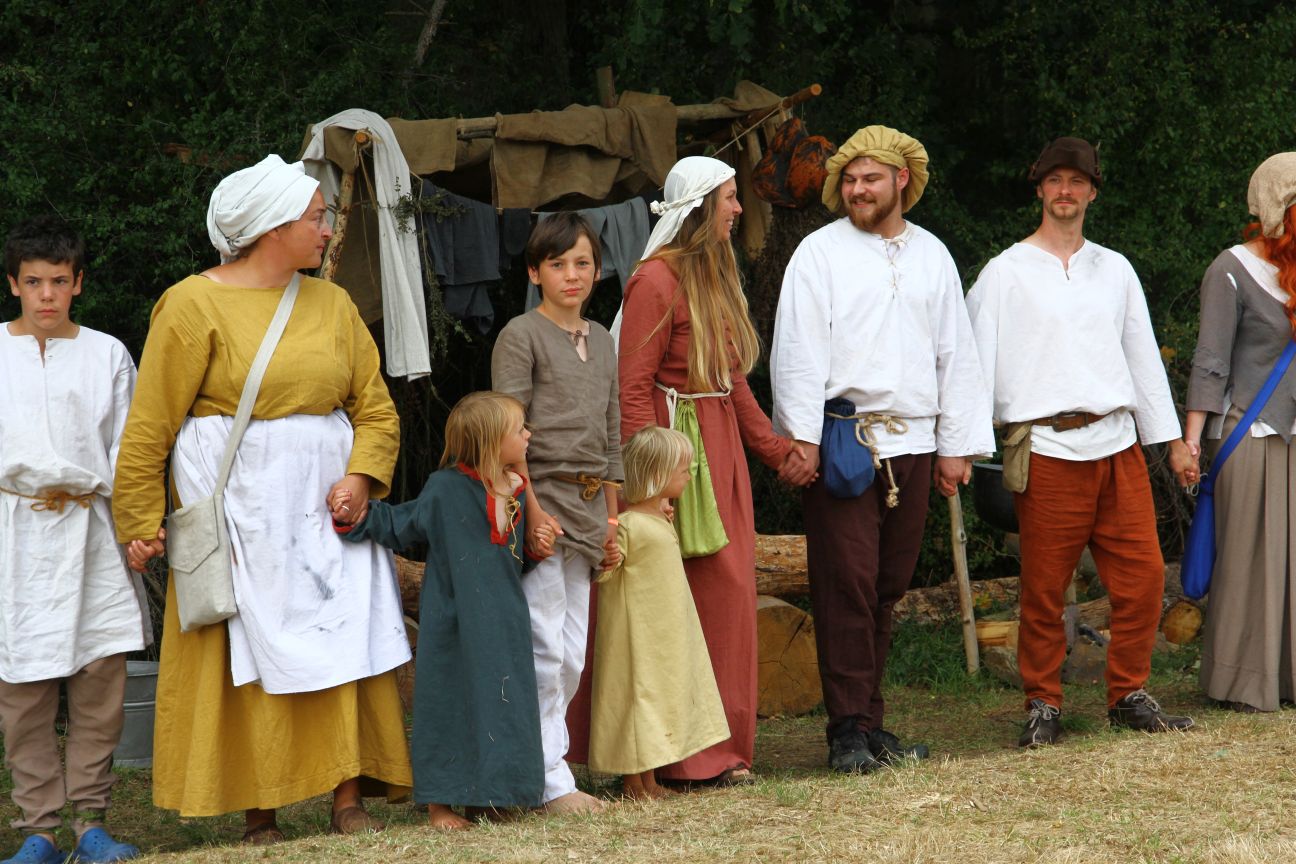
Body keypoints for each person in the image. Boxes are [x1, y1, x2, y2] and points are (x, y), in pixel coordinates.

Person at [112, 155, 412, 844]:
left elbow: (376, 409)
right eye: (316, 218)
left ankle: (346, 799)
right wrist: (139, 520)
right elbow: (150, 425)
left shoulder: (333, 304)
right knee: (246, 649)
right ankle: (260, 813)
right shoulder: (191, 305)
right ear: (273, 228)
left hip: (324, 512)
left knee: (338, 639)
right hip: (240, 513)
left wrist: (361, 477)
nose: (327, 230)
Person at [771, 125, 994, 774]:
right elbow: (797, 350)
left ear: (902, 180)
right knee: (846, 584)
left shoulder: (932, 255)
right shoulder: (819, 253)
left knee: (888, 586)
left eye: (870, 178)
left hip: (916, 441)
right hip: (844, 439)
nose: (857, 189)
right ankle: (846, 732)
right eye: (849, 179)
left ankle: (869, 724)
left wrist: (957, 446)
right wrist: (801, 439)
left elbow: (957, 354)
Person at [965, 137, 1195, 747]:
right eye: (1054, 180)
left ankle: (1128, 694)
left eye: (1076, 181)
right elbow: (973, 363)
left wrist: (1172, 442)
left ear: (1092, 192)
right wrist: (962, 445)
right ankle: (1043, 701)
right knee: (1044, 589)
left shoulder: (1114, 269)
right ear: (1040, 189)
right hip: (1047, 447)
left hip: (1117, 444)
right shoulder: (1005, 272)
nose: (1064, 190)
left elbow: (1143, 360)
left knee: (1144, 578)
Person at [611, 155, 815, 786]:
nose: (738, 208)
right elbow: (633, 389)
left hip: (718, 454)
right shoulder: (654, 281)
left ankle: (722, 751)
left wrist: (776, 450)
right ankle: (682, 758)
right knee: (686, 602)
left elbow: (732, 384)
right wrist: (648, 488)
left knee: (728, 600)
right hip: (677, 456)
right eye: (729, 197)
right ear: (700, 207)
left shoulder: (713, 273)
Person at [0, 218, 148, 864]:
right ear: (14, 283)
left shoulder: (108, 354)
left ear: (78, 283)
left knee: (98, 681)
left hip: (91, 531)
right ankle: (38, 830)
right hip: (14, 534)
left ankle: (91, 824)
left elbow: (128, 450)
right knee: (22, 689)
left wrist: (138, 525)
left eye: (59, 281)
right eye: (33, 282)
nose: (46, 295)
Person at [332, 391, 545, 829]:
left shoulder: (516, 490)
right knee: (448, 704)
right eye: (519, 429)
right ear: (491, 441)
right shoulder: (445, 488)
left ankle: (493, 797)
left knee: (502, 704)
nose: (528, 434)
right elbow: (402, 524)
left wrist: (536, 551)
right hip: (453, 622)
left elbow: (511, 558)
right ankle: (440, 807)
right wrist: (356, 516)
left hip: (504, 622)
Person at [490, 213, 620, 815]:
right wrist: (533, 511)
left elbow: (611, 434)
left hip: (589, 510)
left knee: (572, 651)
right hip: (538, 499)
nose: (572, 274)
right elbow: (507, 433)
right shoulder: (521, 334)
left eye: (583, 262)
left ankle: (546, 769)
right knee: (544, 647)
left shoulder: (604, 338)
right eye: (558, 263)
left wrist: (612, 520)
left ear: (597, 269)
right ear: (534, 272)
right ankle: (550, 783)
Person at [1182, 152, 1296, 714]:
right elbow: (1211, 361)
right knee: (1251, 560)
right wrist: (1190, 442)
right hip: (1250, 434)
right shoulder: (1231, 269)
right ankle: (1243, 682)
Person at [587, 426, 729, 799]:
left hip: (662, 633)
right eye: (683, 470)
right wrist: (608, 558)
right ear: (657, 476)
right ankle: (634, 783)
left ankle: (649, 779)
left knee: (655, 698)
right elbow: (605, 573)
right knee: (638, 699)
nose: (689, 475)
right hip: (636, 636)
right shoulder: (629, 525)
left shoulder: (658, 520)